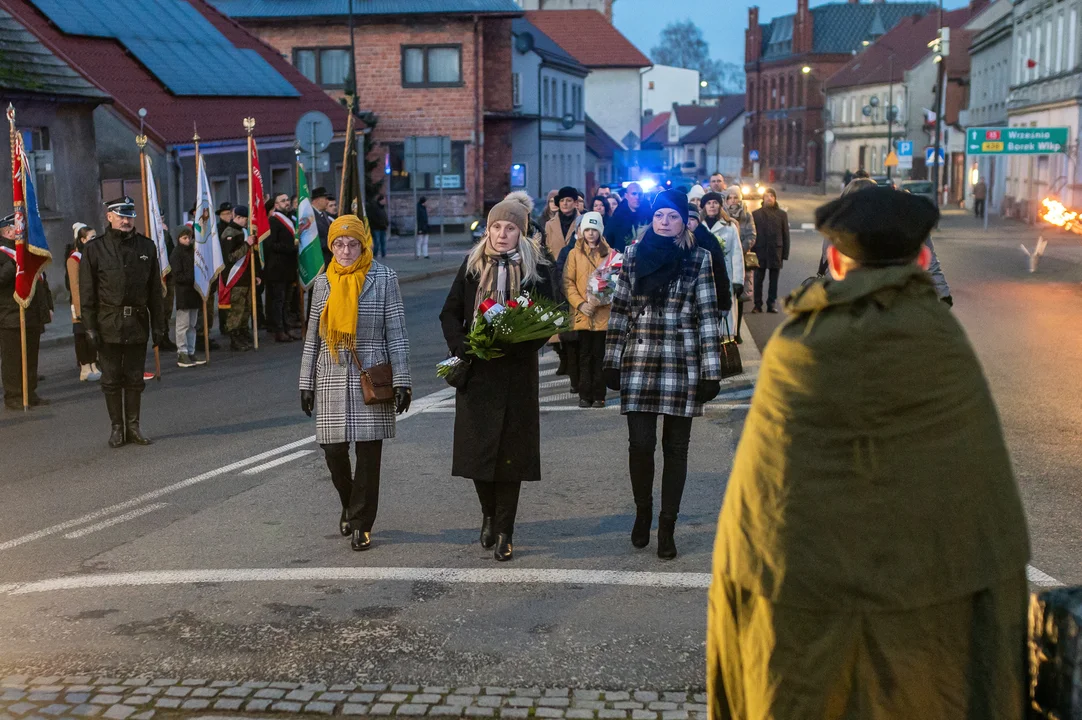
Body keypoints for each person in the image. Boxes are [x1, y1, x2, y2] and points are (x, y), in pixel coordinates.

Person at [709, 186, 1030, 719]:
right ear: (923, 259)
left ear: (835, 258)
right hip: (932, 615)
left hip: (805, 608)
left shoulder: (797, 345)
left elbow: (759, 501)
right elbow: (981, 497)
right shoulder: (943, 341)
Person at [603, 190, 722, 560]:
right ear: (651, 220)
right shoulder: (635, 255)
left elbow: (707, 315)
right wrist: (611, 359)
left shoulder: (698, 257)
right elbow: (620, 308)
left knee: (676, 448)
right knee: (640, 445)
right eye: (659, 217)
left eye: (672, 216)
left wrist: (710, 371)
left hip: (681, 360)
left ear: (684, 220)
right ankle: (643, 513)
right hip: (639, 357)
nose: (665, 222)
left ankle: (667, 525)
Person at [439, 192, 555, 562]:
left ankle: (505, 530)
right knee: (478, 453)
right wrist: (463, 346)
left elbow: (549, 318)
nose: (502, 234)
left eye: (509, 228)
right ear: (487, 230)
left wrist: (518, 343)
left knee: (511, 457)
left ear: (521, 232)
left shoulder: (538, 268)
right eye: (496, 227)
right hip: (477, 373)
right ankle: (488, 513)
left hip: (518, 374)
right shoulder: (473, 266)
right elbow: (450, 313)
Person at [299, 215, 412, 552]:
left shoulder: (384, 277)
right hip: (332, 373)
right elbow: (312, 339)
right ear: (331, 246)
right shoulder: (323, 282)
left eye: (352, 244)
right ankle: (350, 502)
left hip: (370, 374)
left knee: (368, 455)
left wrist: (403, 380)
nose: (346, 250)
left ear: (364, 244)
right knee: (333, 451)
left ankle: (362, 523)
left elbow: (396, 332)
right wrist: (306, 382)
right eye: (339, 244)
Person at [79, 197, 166, 447]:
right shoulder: (95, 249)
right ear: (109, 217)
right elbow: (87, 292)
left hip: (137, 322)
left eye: (129, 216)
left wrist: (159, 325)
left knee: (135, 378)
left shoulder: (146, 247)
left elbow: (154, 292)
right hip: (108, 322)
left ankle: (134, 427)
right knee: (111, 379)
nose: (126, 221)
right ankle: (117, 428)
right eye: (121, 216)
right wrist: (89, 327)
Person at [818, 178, 954, 305]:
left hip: (844, 299)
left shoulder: (836, 227)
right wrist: (943, 295)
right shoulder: (896, 225)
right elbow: (931, 265)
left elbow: (830, 266)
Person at [0, 213, 53, 410]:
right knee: (13, 359)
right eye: (16, 228)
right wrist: (14, 262)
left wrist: (48, 306)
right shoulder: (4, 254)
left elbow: (41, 280)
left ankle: (30, 392)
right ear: (7, 231)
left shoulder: (28, 252)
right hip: (10, 315)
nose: (21, 231)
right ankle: (13, 395)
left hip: (32, 313)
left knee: (31, 356)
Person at [564, 211, 612, 408]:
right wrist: (581, 304)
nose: (591, 234)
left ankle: (599, 394)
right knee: (583, 356)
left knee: (600, 355)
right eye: (587, 230)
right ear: (582, 232)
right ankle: (585, 394)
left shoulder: (610, 254)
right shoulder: (574, 254)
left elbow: (614, 282)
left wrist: (599, 300)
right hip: (583, 313)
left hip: (602, 313)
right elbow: (568, 283)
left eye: (594, 230)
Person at [701, 192, 744, 322]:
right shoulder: (699, 227)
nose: (712, 206)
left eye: (715, 203)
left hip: (725, 273)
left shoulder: (729, 226)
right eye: (708, 203)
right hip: (704, 273)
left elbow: (736, 253)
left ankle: (726, 338)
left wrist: (738, 280)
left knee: (726, 312)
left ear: (720, 206)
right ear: (704, 207)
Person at [67, 223, 101, 382]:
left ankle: (93, 363)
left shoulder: (92, 255)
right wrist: (80, 310)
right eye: (91, 237)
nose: (95, 240)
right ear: (82, 239)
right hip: (81, 305)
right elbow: (75, 286)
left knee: (93, 335)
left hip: (93, 303)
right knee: (81, 335)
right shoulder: (74, 259)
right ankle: (85, 366)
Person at [264, 193, 300, 343]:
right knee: (278, 300)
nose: (286, 203)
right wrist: (290, 247)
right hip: (278, 267)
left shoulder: (291, 219)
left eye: (287, 200)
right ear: (276, 205)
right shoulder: (274, 221)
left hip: (289, 267)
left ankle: (287, 327)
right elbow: (271, 244)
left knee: (287, 300)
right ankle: (279, 330)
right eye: (282, 201)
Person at [169, 226, 205, 368]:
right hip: (184, 292)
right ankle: (182, 352)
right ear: (178, 239)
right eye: (184, 238)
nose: (188, 240)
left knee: (192, 324)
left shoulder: (193, 252)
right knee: (183, 325)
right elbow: (178, 275)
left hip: (194, 292)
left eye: (189, 238)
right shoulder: (176, 254)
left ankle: (191, 350)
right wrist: (193, 278)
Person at [723, 187, 756, 342]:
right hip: (725, 258)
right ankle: (728, 329)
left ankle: (737, 332)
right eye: (730, 197)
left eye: (735, 197)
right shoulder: (722, 215)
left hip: (742, 258)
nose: (733, 200)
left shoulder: (746, 215)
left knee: (741, 297)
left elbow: (751, 235)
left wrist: (740, 249)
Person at [219, 205, 253, 351]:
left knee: (246, 309)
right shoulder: (229, 233)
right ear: (238, 217)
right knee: (236, 310)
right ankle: (234, 337)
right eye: (245, 219)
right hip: (235, 277)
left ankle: (242, 333)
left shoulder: (243, 231)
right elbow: (231, 257)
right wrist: (247, 244)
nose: (247, 222)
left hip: (246, 277)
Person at [751, 188, 789, 314]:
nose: (769, 198)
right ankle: (757, 304)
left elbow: (785, 235)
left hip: (776, 251)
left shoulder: (782, 214)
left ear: (775, 198)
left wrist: (785, 253)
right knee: (758, 280)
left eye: (772, 196)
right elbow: (753, 234)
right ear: (763, 198)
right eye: (767, 196)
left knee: (774, 281)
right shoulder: (756, 214)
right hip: (760, 251)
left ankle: (771, 304)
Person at [607, 182, 650, 252]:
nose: (637, 197)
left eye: (640, 194)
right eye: (634, 194)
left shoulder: (650, 216)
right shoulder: (617, 218)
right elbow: (608, 240)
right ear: (626, 196)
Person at [545, 186, 579, 258]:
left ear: (575, 203)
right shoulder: (549, 225)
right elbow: (546, 248)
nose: (565, 203)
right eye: (562, 200)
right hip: (555, 267)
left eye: (569, 200)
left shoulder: (583, 222)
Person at [311, 187, 333, 266]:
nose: (327, 201)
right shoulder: (310, 216)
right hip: (317, 261)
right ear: (317, 200)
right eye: (325, 198)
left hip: (327, 258)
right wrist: (330, 243)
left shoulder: (324, 214)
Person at [366, 193, 389, 259]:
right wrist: (381, 224)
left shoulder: (382, 208)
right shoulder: (375, 208)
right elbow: (374, 219)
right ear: (380, 201)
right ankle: (375, 255)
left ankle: (383, 254)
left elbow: (385, 217)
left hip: (383, 228)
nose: (385, 202)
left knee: (383, 242)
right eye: (384, 200)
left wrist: (386, 224)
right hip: (377, 228)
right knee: (377, 242)